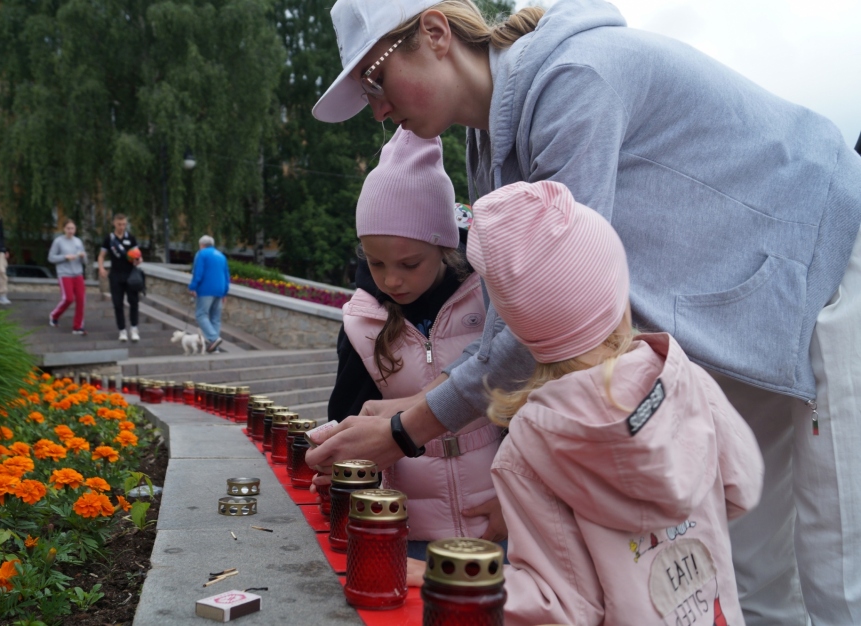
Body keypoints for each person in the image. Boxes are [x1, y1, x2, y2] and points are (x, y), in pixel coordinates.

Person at [307, 0, 861, 623]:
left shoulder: (574, 81)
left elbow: (539, 316)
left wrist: (407, 429)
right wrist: (417, 407)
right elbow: (513, 322)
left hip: (824, 263)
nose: (378, 109)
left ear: (435, 33)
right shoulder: (488, 141)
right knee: (745, 569)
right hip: (736, 315)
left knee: (835, 568)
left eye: (375, 78)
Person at [408, 179, 764, 625]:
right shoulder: (684, 377)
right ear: (618, 291)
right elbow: (741, 486)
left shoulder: (532, 445)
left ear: (519, 328)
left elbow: (562, 605)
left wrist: (451, 578)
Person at [329, 127, 504, 555]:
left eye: (410, 264)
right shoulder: (362, 323)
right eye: (376, 263)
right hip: (409, 531)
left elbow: (529, 409)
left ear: (444, 247)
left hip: (498, 519)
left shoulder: (490, 300)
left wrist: (519, 494)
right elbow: (349, 424)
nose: (391, 280)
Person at [97, 214, 142, 342]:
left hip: (130, 275)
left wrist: (138, 260)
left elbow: (138, 255)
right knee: (117, 303)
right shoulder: (109, 239)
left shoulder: (131, 238)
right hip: (115, 275)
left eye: (124, 224)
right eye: (119, 224)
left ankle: (134, 328)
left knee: (134, 302)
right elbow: (101, 255)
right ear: (114, 224)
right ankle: (122, 330)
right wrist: (101, 268)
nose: (122, 227)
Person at [188, 235, 230, 353]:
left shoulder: (201, 254)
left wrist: (192, 287)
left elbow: (198, 272)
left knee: (201, 314)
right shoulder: (221, 256)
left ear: (201, 245)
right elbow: (226, 275)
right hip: (220, 290)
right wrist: (225, 292)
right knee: (215, 318)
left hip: (205, 289)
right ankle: (215, 347)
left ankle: (214, 338)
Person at [47, 219, 88, 335]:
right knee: (68, 298)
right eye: (68, 228)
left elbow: (85, 261)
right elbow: (51, 258)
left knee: (81, 299)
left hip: (78, 274)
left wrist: (83, 256)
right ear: (64, 229)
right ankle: (54, 315)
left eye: (72, 228)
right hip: (64, 274)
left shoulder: (78, 241)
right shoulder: (58, 241)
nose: (70, 231)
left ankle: (78, 327)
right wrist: (65, 257)